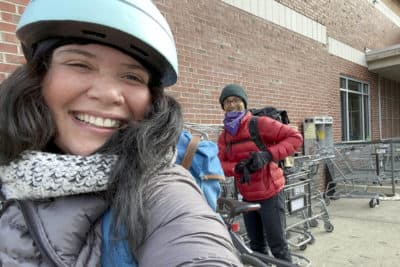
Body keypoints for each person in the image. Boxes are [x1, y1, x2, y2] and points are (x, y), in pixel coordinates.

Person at [0, 1, 242, 266]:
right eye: (80, 64)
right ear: (39, 76)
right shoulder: (9, 169)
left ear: (151, 100)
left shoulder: (159, 188)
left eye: (131, 77)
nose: (107, 94)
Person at [217, 84, 303, 263]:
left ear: (244, 103)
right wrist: (236, 168)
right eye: (227, 102)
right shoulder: (225, 136)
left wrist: (267, 155)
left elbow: (295, 138)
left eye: (236, 100)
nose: (232, 105)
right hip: (247, 195)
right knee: (255, 247)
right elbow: (219, 163)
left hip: (270, 193)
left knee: (278, 246)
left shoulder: (258, 124)